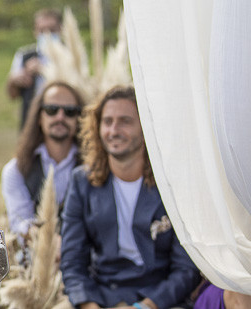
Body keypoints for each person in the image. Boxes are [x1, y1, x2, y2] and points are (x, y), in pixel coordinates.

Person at [60, 85, 201, 309]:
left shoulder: (171, 183)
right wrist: (89, 305)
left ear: (145, 126)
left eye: (125, 121)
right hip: (102, 295)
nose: (114, 130)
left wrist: (145, 306)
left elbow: (186, 268)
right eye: (107, 121)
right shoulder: (81, 182)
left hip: (160, 299)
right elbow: (72, 262)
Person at [1, 81, 84, 237]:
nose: (60, 117)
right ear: (39, 117)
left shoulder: (94, 166)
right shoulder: (16, 171)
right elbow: (20, 224)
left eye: (70, 111)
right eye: (51, 110)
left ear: (80, 118)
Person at [6, 8, 63, 129]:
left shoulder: (70, 55)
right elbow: (12, 95)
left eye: (52, 30)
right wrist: (14, 80)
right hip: (31, 121)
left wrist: (45, 70)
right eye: (42, 31)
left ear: (60, 29)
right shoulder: (24, 55)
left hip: (61, 119)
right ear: (35, 32)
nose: (47, 35)